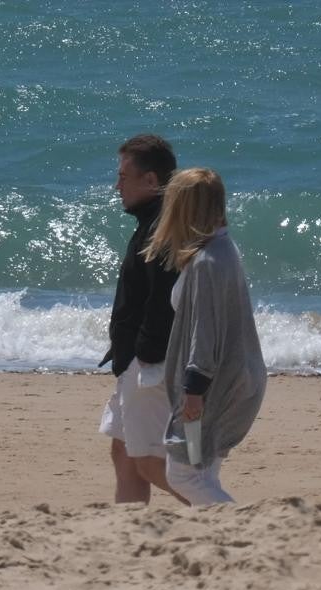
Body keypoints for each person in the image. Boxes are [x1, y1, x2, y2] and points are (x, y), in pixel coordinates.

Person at [142, 168, 266, 505]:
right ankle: (221, 541)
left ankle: (240, 531)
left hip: (212, 389)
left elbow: (205, 332)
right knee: (202, 471)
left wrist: (193, 393)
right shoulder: (223, 248)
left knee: (184, 474)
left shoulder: (207, 263)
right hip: (235, 380)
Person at [98, 134, 187, 505]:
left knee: (151, 462)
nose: (117, 185)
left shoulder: (162, 227)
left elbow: (166, 299)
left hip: (148, 363)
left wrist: (145, 354)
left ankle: (220, 513)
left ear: (150, 181)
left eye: (123, 176)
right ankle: (130, 533)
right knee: (123, 454)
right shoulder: (151, 221)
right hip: (133, 360)